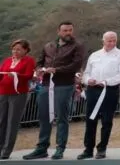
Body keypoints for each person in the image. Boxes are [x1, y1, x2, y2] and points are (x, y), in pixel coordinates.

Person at [23, 21, 86, 161]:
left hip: (64, 85)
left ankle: (59, 148)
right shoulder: (48, 46)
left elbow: (76, 64)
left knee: (61, 118)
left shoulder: (78, 46)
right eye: (65, 30)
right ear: (59, 31)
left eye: (70, 30)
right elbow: (39, 62)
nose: (68, 32)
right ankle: (41, 148)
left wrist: (57, 70)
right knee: (44, 116)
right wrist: (39, 69)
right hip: (45, 85)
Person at [76, 31, 120, 160]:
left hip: (110, 90)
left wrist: (106, 82)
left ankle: (102, 148)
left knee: (106, 121)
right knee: (90, 119)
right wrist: (88, 80)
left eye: (114, 40)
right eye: (109, 40)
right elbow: (86, 73)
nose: (111, 43)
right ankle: (88, 149)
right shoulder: (94, 55)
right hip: (93, 90)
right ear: (103, 40)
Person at [0, 39, 36, 159]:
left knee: (12, 122)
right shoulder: (7, 60)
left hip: (18, 94)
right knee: (1, 121)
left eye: (18, 49)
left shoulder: (29, 61)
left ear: (25, 50)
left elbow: (29, 76)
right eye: (14, 49)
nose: (15, 51)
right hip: (3, 93)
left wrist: (16, 74)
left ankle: (6, 151)